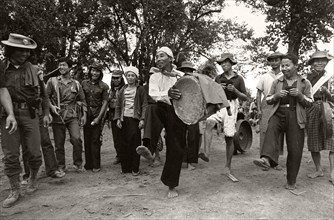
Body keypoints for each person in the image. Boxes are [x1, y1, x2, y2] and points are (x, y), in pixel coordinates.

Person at [1, 33, 50, 208]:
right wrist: (9, 113)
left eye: (27, 51)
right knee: (11, 154)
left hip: (30, 115)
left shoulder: (36, 70)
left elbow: (44, 95)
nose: (24, 54)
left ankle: (33, 178)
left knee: (34, 152)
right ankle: (15, 189)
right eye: (20, 50)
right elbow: (2, 90)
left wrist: (46, 113)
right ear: (11, 50)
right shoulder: (2, 68)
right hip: (8, 115)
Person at [253, 53, 313, 190]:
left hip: (296, 116)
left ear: (295, 66)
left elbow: (310, 102)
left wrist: (299, 95)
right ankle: (266, 159)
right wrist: (276, 96)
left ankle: (291, 182)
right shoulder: (277, 82)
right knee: (271, 129)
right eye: (283, 66)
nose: (284, 68)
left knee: (295, 149)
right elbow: (268, 99)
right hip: (278, 113)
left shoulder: (304, 82)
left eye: (287, 65)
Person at [136, 46, 186, 198]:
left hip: (179, 113)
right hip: (162, 108)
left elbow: (191, 87)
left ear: (171, 58)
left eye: (162, 56)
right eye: (156, 57)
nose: (158, 59)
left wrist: (174, 75)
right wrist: (168, 94)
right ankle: (149, 148)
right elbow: (153, 95)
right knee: (152, 109)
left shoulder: (180, 76)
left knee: (175, 147)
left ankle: (171, 186)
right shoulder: (154, 77)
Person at [199, 53, 247, 181]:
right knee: (209, 122)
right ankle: (206, 153)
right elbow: (211, 94)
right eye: (222, 63)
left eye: (226, 62)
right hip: (219, 104)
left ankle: (228, 166)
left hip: (231, 105)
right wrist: (218, 89)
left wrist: (235, 90)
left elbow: (245, 97)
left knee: (229, 137)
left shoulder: (239, 78)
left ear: (231, 63)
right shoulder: (218, 78)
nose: (224, 65)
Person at [46, 57, 87, 173]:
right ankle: (61, 166)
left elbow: (83, 100)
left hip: (72, 115)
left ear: (69, 68)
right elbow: (46, 97)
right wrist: (51, 107)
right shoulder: (52, 81)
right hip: (58, 115)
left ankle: (78, 164)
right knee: (59, 143)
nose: (61, 67)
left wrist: (84, 115)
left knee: (77, 139)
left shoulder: (76, 84)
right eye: (59, 65)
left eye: (64, 65)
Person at [305, 51, 334, 184]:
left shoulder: (331, 77)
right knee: (314, 141)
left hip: (330, 109)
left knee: (333, 143)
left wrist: (328, 94)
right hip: (312, 110)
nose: (319, 63)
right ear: (312, 63)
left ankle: (333, 173)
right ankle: (318, 170)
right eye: (316, 61)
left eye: (322, 60)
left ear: (326, 62)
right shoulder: (307, 79)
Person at [114, 66, 147, 175]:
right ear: (126, 77)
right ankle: (125, 168)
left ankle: (135, 168)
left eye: (132, 75)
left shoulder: (140, 89)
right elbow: (118, 105)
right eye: (128, 75)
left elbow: (144, 105)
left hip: (134, 119)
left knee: (135, 143)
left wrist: (142, 119)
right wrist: (118, 118)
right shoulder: (122, 89)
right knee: (124, 143)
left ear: (136, 77)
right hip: (124, 119)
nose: (130, 77)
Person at [256, 52, 285, 169]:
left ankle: (275, 161)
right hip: (266, 104)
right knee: (264, 131)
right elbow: (258, 94)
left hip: (280, 104)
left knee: (277, 132)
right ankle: (264, 160)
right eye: (271, 60)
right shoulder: (264, 76)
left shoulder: (285, 75)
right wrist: (258, 109)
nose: (274, 62)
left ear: (281, 61)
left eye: (276, 60)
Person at [81, 65, 109, 172]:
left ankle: (96, 165)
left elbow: (105, 102)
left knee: (95, 140)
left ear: (100, 73)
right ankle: (88, 164)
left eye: (97, 71)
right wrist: (83, 114)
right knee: (87, 139)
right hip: (86, 114)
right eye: (93, 70)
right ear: (90, 71)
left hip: (97, 113)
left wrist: (99, 118)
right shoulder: (84, 83)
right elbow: (81, 98)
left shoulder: (104, 86)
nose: (95, 73)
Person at [177, 61, 201, 170]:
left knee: (193, 136)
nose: (186, 72)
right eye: (184, 70)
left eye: (189, 70)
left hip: (194, 112)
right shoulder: (177, 82)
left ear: (192, 72)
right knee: (180, 136)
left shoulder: (198, 81)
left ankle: (192, 161)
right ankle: (183, 159)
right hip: (180, 111)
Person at [107, 69, 126, 165]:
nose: (115, 80)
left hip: (124, 115)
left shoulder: (125, 89)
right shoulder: (110, 90)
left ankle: (126, 155)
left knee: (124, 136)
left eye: (117, 78)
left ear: (121, 78)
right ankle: (119, 155)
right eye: (113, 78)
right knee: (116, 137)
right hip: (113, 116)